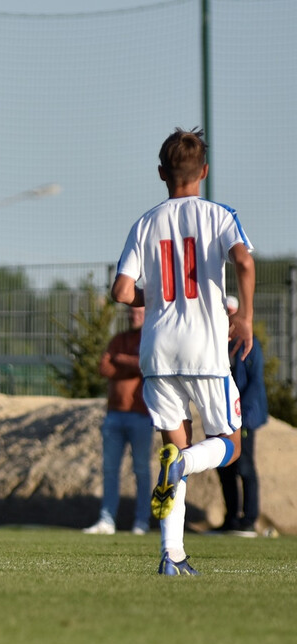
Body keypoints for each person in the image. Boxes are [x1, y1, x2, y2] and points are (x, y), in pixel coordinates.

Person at [112, 127, 255, 576]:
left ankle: (171, 557)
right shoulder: (220, 215)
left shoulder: (145, 222)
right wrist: (245, 317)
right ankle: (186, 464)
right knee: (229, 446)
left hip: (158, 353)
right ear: (204, 172)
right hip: (205, 351)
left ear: (161, 173)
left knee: (172, 446)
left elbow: (120, 291)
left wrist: (150, 299)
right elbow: (245, 262)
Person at [82, 305, 153, 536]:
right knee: (110, 470)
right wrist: (129, 365)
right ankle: (107, 520)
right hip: (114, 414)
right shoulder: (118, 338)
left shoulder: (150, 337)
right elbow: (104, 368)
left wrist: (121, 360)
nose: (134, 317)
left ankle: (141, 522)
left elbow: (147, 365)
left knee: (141, 470)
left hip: (141, 415)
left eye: (139, 313)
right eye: (131, 313)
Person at [214, 295, 267, 537]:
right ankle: (231, 518)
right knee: (224, 467)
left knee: (244, 466)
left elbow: (255, 383)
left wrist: (240, 415)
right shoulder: (216, 344)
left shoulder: (248, 342)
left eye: (231, 313)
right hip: (221, 415)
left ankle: (250, 519)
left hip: (242, 416)